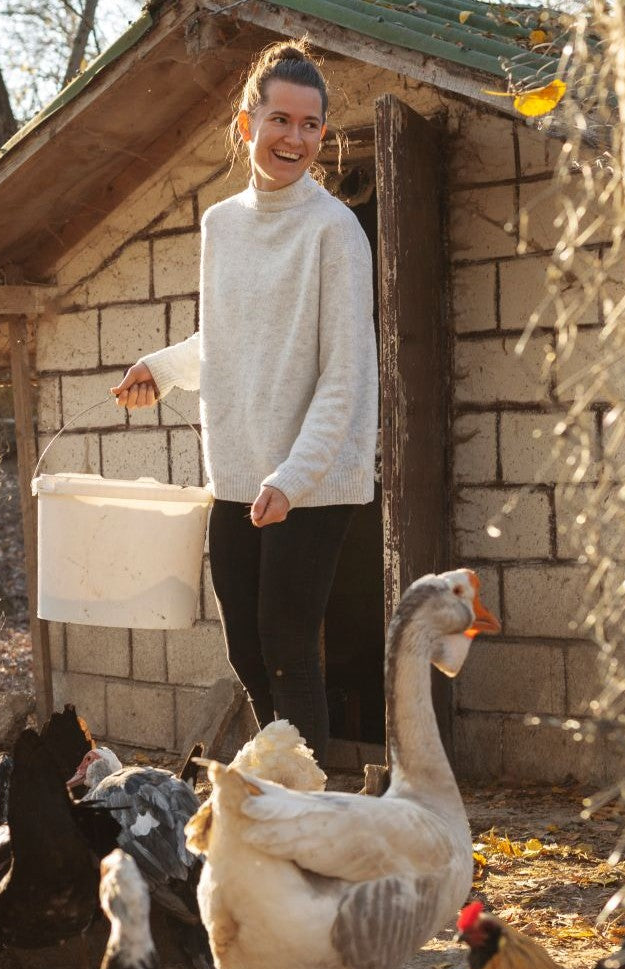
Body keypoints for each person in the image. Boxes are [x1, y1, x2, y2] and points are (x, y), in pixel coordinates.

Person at [110, 39, 376, 755]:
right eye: (280, 120)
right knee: (247, 653)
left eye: (310, 124)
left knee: (288, 648)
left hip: (314, 478)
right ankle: (287, 782)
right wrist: (159, 369)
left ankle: (310, 811)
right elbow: (228, 339)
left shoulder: (335, 232)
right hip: (237, 471)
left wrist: (293, 477)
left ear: (322, 133)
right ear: (245, 124)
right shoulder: (221, 226)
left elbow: (346, 373)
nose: (295, 137)